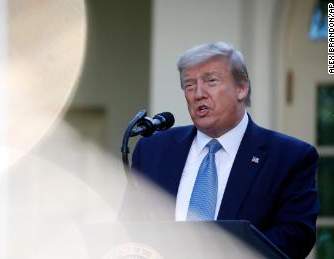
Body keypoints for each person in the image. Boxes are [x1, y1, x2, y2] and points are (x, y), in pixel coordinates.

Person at [131, 42, 319, 259]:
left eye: (211, 81)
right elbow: (128, 228)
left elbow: (296, 236)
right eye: (189, 85)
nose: (198, 93)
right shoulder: (152, 151)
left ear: (242, 88)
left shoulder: (289, 157)